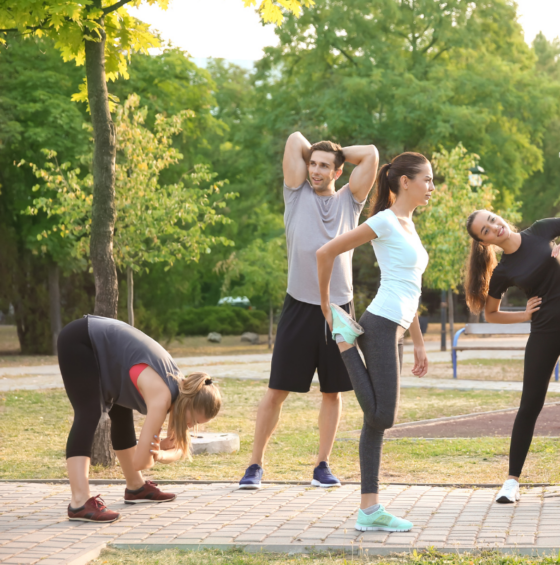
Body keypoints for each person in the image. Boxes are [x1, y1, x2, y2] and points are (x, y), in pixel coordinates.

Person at [238, 133, 378, 490]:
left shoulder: (350, 200)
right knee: (276, 390)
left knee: (332, 392)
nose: (315, 170)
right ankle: (254, 466)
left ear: (338, 171)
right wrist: (322, 150)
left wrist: (337, 153)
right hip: (299, 306)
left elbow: (372, 154)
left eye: (324, 166)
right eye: (312, 163)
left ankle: (322, 465)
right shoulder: (295, 193)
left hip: (338, 308)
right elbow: (294, 139)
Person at [317, 152, 432, 532]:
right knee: (384, 416)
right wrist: (326, 307)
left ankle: (369, 510)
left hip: (396, 327)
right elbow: (326, 251)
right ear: (405, 182)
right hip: (381, 324)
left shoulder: (410, 225)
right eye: (427, 179)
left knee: (375, 422)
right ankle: (344, 341)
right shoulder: (384, 220)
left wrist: (417, 341)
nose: (431, 187)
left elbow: (411, 288)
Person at [464, 210, 560, 506]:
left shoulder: (539, 230)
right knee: (529, 406)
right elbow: (491, 314)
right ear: (485, 243)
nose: (494, 227)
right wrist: (524, 315)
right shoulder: (504, 270)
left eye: (492, 219)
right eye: (486, 230)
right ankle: (511, 482)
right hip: (544, 334)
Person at [58, 315, 222, 523]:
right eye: (194, 421)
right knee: (89, 413)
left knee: (122, 413)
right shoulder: (162, 396)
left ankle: (136, 488)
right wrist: (157, 452)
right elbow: (141, 461)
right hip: (82, 341)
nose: (190, 426)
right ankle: (79, 501)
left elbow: (181, 449)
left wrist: (159, 452)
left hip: (108, 355)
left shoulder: (182, 389)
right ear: (188, 404)